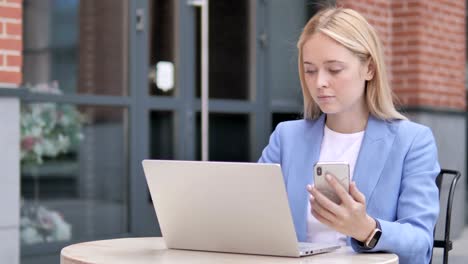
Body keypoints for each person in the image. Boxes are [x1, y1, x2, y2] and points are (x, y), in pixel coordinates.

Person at [258, 7, 440, 264]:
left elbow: (420, 246)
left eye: (334, 69)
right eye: (310, 70)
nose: (319, 82)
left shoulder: (412, 141)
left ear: (369, 69)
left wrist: (366, 229)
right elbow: (253, 218)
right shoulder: (286, 138)